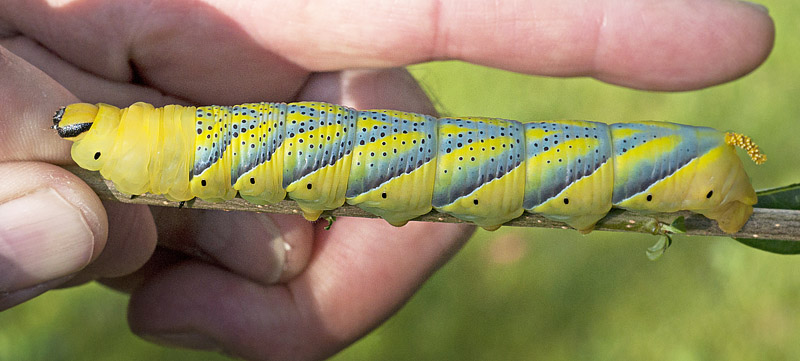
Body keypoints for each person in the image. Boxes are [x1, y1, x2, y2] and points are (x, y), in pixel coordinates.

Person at [0, 0, 773, 359]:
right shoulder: (181, 145)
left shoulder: (145, 154)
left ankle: (698, 170)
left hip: (579, 166)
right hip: (208, 144)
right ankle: (700, 167)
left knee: (467, 161)